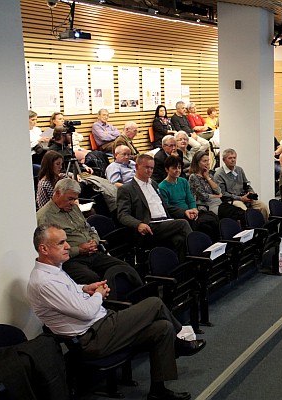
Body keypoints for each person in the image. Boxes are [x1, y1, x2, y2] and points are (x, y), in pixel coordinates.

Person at [28, 224, 205, 400]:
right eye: (61, 243)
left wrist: (85, 288)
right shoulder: (44, 282)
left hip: (102, 327)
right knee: (154, 303)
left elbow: (69, 296)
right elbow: (86, 312)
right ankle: (181, 340)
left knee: (163, 328)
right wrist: (98, 294)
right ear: (44, 248)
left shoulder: (54, 270)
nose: (68, 246)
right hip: (92, 338)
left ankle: (158, 391)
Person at [36, 179, 142, 294]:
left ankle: (140, 296)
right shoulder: (44, 217)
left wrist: (94, 241)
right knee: (93, 279)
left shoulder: (74, 209)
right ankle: (109, 307)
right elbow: (50, 251)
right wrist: (79, 250)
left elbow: (90, 229)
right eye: (70, 199)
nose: (73, 202)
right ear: (57, 193)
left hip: (92, 253)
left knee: (124, 267)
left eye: (75, 199)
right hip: (71, 260)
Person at [117, 154, 193, 261]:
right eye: (147, 167)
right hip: (149, 226)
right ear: (137, 167)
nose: (150, 171)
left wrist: (185, 212)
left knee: (179, 240)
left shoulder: (153, 184)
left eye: (152, 168)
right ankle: (199, 257)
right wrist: (138, 224)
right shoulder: (127, 189)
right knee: (183, 223)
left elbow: (165, 206)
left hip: (165, 222)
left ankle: (183, 271)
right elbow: (122, 215)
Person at [159, 156, 219, 241]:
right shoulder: (162, 187)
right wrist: (185, 212)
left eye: (179, 167)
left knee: (212, 219)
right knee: (204, 227)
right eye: (174, 168)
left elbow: (190, 199)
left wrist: (194, 210)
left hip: (191, 211)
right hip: (179, 215)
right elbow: (167, 207)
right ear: (166, 169)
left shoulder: (183, 181)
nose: (177, 170)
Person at [188, 151, 246, 223]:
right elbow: (203, 196)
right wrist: (217, 196)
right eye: (204, 161)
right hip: (207, 205)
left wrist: (207, 177)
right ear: (197, 163)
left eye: (208, 160)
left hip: (218, 203)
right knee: (232, 214)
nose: (207, 163)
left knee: (239, 212)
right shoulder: (193, 177)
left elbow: (219, 191)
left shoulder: (209, 174)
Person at [213, 148, 269, 219]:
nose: (233, 160)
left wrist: (251, 193)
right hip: (231, 200)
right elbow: (223, 194)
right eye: (230, 158)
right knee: (245, 211)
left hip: (244, 196)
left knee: (263, 207)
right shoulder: (219, 174)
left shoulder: (239, 170)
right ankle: (249, 228)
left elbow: (246, 184)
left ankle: (264, 227)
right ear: (224, 160)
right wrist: (240, 198)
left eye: (234, 158)